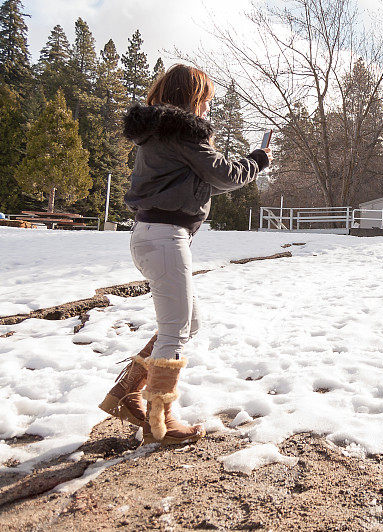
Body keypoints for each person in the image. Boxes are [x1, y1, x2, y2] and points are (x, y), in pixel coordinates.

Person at [98, 64, 271, 445]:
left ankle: (125, 394)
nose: (208, 108)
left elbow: (203, 178)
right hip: (164, 238)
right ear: (193, 98)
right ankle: (162, 423)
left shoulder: (160, 135)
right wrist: (257, 160)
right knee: (177, 329)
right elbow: (224, 174)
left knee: (187, 325)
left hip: (152, 236)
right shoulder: (183, 134)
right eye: (206, 100)